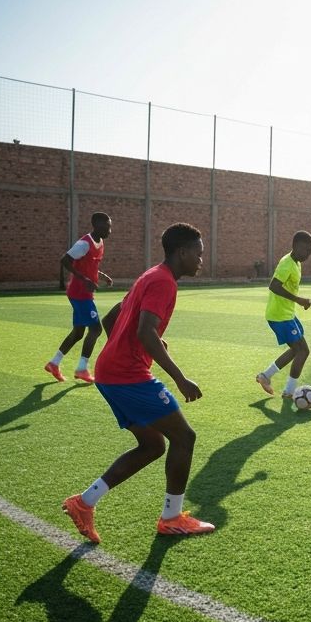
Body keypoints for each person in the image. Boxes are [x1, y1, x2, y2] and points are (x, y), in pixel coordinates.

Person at [61, 223, 214, 543]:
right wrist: (180, 378)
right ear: (182, 252)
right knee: (184, 438)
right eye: (198, 254)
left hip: (110, 373)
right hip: (127, 376)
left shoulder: (151, 274)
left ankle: (84, 502)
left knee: (153, 445)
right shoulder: (164, 283)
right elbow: (145, 331)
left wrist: (139, 342)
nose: (202, 260)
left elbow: (111, 318)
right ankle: (172, 519)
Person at [45, 212, 113, 383]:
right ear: (97, 225)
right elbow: (65, 260)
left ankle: (54, 363)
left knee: (78, 333)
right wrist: (84, 280)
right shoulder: (84, 243)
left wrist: (102, 275)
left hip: (84, 293)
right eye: (107, 226)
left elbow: (88, 264)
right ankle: (82, 369)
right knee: (96, 329)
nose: (110, 230)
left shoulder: (100, 242)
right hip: (79, 293)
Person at [256, 231, 311, 400]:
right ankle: (289, 392)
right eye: (306, 250)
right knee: (303, 351)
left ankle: (265, 376)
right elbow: (273, 286)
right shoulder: (287, 264)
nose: (308, 254)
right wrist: (298, 300)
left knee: (298, 350)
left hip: (286, 314)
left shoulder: (296, 263)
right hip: (280, 316)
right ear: (295, 246)